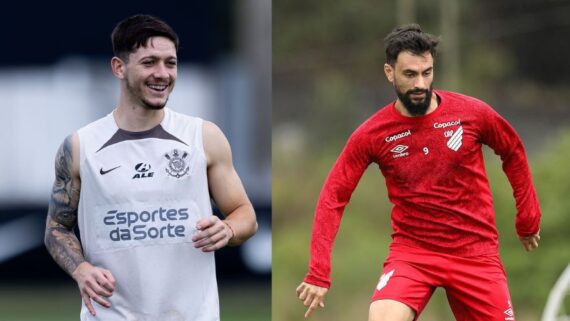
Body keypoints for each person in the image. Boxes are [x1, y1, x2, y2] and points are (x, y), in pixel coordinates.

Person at [296, 24, 541, 321]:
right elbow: (333, 195)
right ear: (390, 73)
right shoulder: (372, 134)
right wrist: (318, 272)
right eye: (410, 74)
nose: (420, 84)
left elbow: (512, 149)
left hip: (475, 253)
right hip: (413, 254)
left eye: (427, 73)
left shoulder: (472, 113)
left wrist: (528, 217)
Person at [44, 14, 257, 321]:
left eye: (170, 63)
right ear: (119, 67)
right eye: (149, 62)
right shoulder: (80, 147)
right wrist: (81, 269)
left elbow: (245, 215)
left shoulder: (203, 137)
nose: (163, 73)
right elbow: (56, 228)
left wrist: (227, 228)